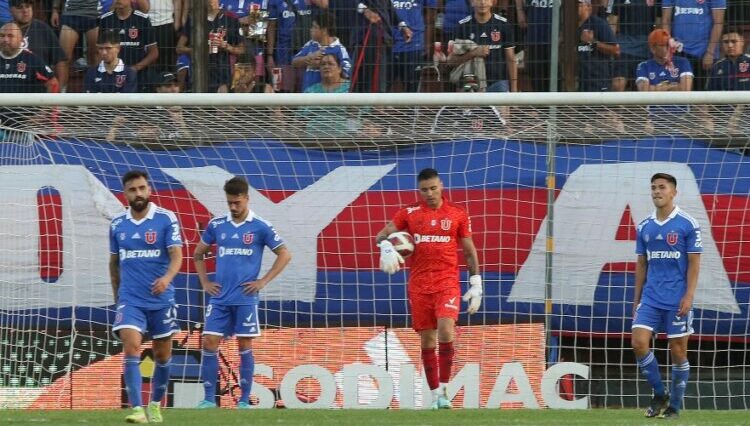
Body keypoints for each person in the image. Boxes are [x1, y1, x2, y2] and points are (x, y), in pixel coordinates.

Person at [375, 168, 482, 409]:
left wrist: (476, 283)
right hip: (420, 285)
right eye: (424, 190)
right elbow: (381, 235)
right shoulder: (409, 213)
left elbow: (468, 250)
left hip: (447, 282)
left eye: (433, 188)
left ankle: (444, 389)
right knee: (427, 340)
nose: (430, 193)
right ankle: (436, 396)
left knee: (446, 328)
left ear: (441, 186)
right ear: (419, 190)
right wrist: (386, 247)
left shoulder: (456, 214)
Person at [193, 176, 291, 409]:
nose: (233, 207)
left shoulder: (261, 226)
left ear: (247, 198)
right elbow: (198, 253)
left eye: (237, 202)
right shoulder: (217, 225)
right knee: (208, 342)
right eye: (230, 203)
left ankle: (244, 401)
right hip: (219, 297)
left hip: (245, 298)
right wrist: (205, 282)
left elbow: (285, 254)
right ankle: (208, 400)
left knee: (244, 345)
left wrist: (263, 281)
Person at [109, 170, 183, 424]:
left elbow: (176, 255)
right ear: (125, 193)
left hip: (161, 299)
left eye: (142, 188)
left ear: (149, 189)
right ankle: (137, 409)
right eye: (132, 189)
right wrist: (117, 295)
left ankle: (154, 405)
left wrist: (166, 278)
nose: (138, 193)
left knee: (162, 356)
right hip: (131, 299)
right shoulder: (117, 224)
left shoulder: (166, 218)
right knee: (131, 346)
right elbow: (114, 262)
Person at [632, 172, 702, 420]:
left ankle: (675, 406)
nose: (656, 192)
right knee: (638, 343)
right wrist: (636, 299)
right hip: (650, 298)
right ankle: (660, 393)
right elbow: (641, 265)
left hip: (677, 298)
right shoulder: (644, 226)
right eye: (653, 188)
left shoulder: (687, 223)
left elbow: (694, 263)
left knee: (678, 351)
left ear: (674, 192)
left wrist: (689, 295)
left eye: (662, 187)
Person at [175, 0, 244, 93]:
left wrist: (227, 47)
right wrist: (199, 50)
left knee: (221, 104)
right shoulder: (194, 18)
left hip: (222, 74)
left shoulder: (231, 19)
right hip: (199, 73)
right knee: (200, 105)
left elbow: (242, 50)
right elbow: (179, 48)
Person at [449, 0, 517, 93]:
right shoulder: (462, 26)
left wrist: (514, 90)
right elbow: (451, 62)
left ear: (493, 2)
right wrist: (474, 53)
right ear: (472, 2)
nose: (482, 2)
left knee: (501, 107)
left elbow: (511, 59)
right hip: (470, 82)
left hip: (498, 82)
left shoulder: (503, 24)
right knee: (468, 107)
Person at [662, 0, 726, 91]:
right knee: (680, 93)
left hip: (703, 53)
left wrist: (710, 52)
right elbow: (665, 20)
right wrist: (669, 46)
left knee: (702, 97)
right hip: (678, 51)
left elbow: (718, 23)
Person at [100, 0, 159, 92]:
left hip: (138, 74)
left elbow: (154, 53)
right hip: (111, 74)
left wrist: (134, 69)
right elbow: (99, 50)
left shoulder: (142, 19)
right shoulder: (105, 19)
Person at [292, 11, 351, 92]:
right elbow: (294, 62)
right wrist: (309, 58)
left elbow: (347, 74)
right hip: (307, 94)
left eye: (314, 27)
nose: (311, 30)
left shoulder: (340, 49)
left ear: (324, 30)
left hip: (329, 96)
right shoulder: (310, 44)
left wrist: (323, 65)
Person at [10, 0, 67, 84]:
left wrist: (60, 91)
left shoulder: (44, 29)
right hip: (11, 87)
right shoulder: (5, 31)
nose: (25, 11)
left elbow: (60, 60)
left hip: (39, 88)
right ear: (11, 10)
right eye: (20, 7)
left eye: (28, 6)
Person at [51, 0, 100, 92]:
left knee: (95, 57)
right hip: (71, 13)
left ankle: (94, 91)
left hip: (93, 14)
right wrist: (55, 10)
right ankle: (61, 93)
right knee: (64, 58)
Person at [607, 0, 655, 92]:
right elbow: (612, 21)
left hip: (645, 49)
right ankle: (619, 106)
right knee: (618, 85)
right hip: (624, 47)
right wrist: (613, 46)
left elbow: (659, 23)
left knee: (643, 88)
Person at [0, 21, 57, 92]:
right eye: (2, 36)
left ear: (20, 39)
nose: (5, 40)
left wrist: (46, 102)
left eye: (10, 36)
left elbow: (52, 82)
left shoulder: (32, 60)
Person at [576, 0, 619, 92]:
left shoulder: (599, 24)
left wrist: (592, 42)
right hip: (581, 81)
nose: (576, 7)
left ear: (588, 7)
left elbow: (616, 50)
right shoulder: (571, 26)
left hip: (598, 82)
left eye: (579, 3)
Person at [707, 26, 750, 91]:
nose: (730, 45)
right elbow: (709, 94)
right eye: (726, 42)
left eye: (734, 41)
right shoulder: (717, 66)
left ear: (742, 41)